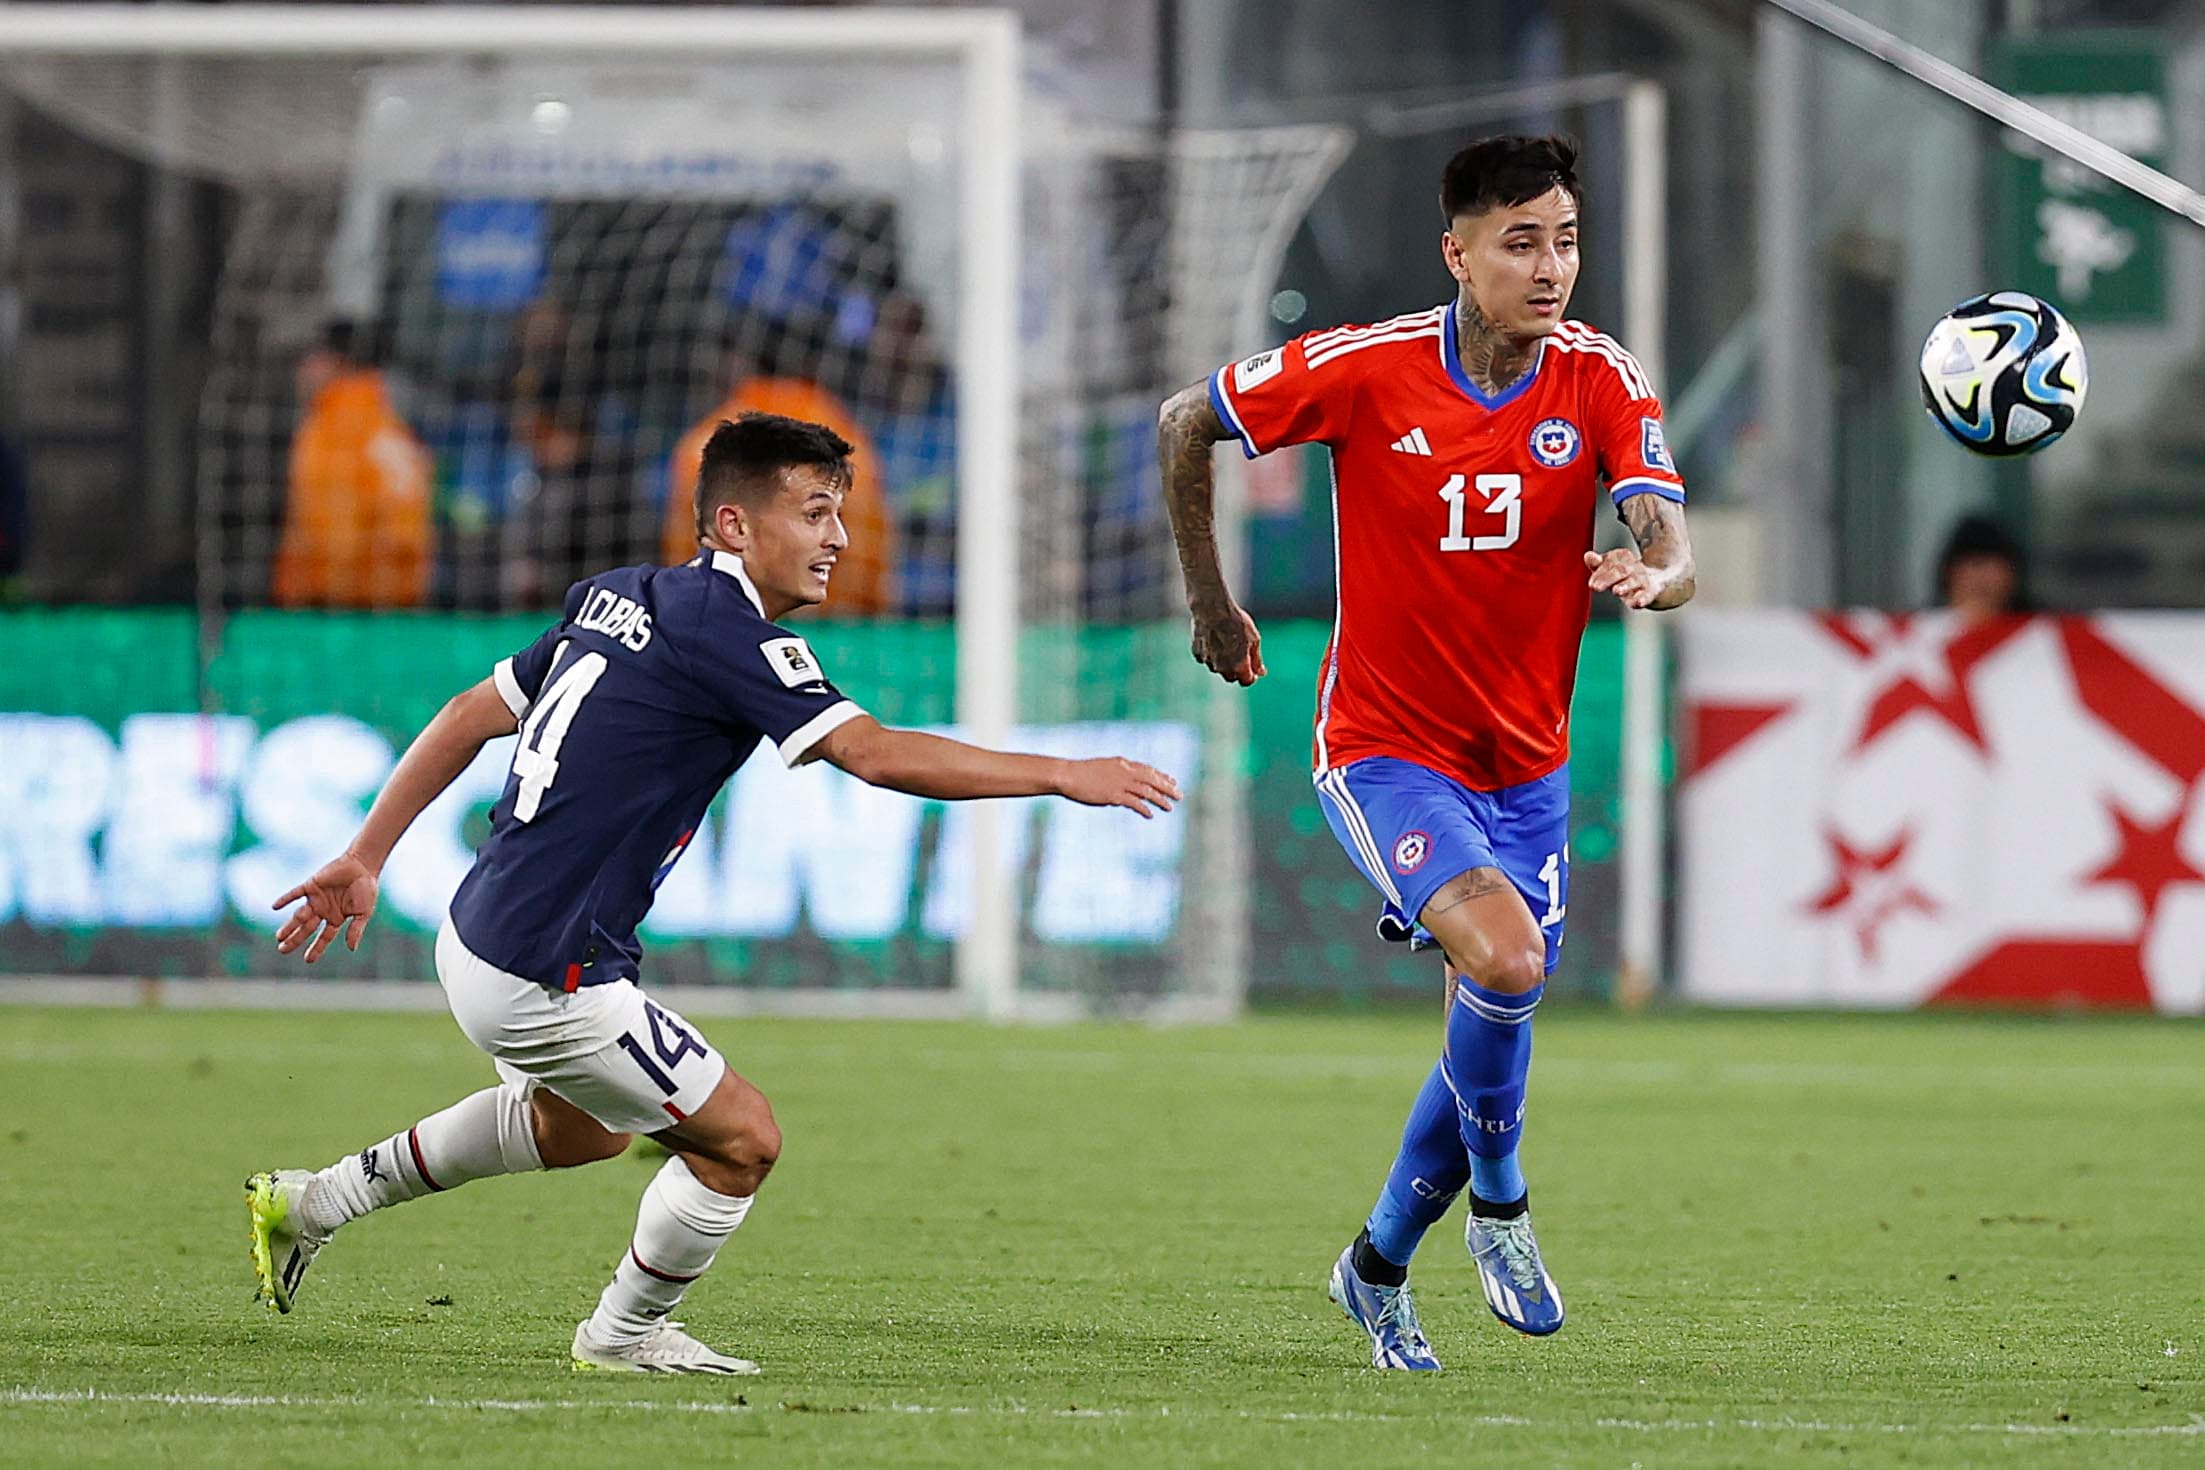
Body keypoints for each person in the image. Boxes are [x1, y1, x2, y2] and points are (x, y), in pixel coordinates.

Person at [249, 412, 1180, 1373]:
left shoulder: (616, 595)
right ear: (734, 525)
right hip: (543, 968)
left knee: (578, 1133)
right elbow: (873, 753)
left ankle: (312, 1202)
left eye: (840, 514)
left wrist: (368, 855)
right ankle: (621, 1337)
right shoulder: (727, 635)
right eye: (814, 513)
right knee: (742, 1142)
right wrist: (1061, 772)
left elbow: (465, 713)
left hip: (482, 929)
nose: (838, 540)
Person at [1156, 136, 1695, 1371]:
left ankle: (1377, 1265)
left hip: (1529, 769)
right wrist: (1209, 602)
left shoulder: (1599, 379)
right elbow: (1191, 421)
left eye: (1564, 239)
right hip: (1386, 750)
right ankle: (1502, 1206)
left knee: (1491, 1010)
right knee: (1503, 960)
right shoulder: (1369, 369)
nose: (1551, 266)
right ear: (1457, 253)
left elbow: (1671, 538)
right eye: (1522, 242)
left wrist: (1653, 574)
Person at [662, 332, 897, 615]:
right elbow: (868, 549)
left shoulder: (703, 441)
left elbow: (683, 547)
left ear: (739, 362)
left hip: (722, 616)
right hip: (834, 623)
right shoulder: (847, 438)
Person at [271, 320, 433, 608]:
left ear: (336, 362)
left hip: (345, 601)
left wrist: (297, 597)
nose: (301, 371)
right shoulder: (389, 422)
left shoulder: (332, 429)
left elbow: (330, 531)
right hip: (404, 597)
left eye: (308, 359)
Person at [1934, 513, 2031, 624]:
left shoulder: (2041, 634)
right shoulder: (1917, 632)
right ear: (1948, 573)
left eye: (1994, 568)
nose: (1982, 578)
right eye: (1975, 565)